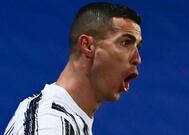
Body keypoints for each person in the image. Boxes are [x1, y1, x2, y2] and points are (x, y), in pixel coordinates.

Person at [4, 2, 142, 135]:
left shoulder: (66, 118)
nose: (137, 58)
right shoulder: (51, 123)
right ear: (87, 46)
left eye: (138, 46)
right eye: (126, 42)